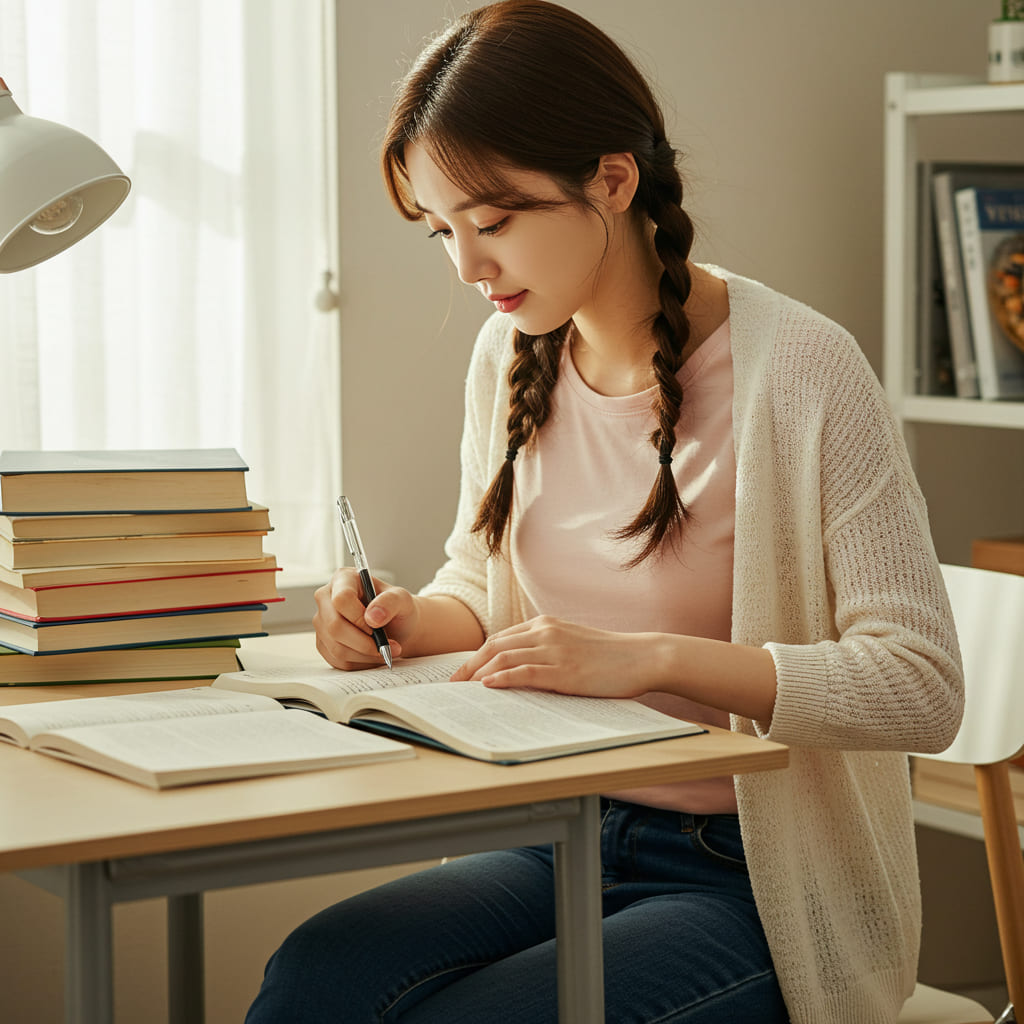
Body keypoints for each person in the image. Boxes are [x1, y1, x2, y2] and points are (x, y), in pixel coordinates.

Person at [245, 2, 964, 1021]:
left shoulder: (800, 370)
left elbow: (920, 687)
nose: (467, 266)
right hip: (556, 828)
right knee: (310, 980)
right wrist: (401, 620)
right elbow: (480, 584)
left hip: (747, 877)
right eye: (441, 230)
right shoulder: (510, 356)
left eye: (492, 221)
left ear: (612, 179)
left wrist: (654, 657)